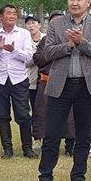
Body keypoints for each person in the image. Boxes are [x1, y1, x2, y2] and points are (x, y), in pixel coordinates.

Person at [34, 0, 91, 181]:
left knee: (84, 134)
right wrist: (68, 45)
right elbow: (47, 52)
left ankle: (78, 177)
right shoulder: (57, 24)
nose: (74, 3)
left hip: (87, 86)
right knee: (52, 133)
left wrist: (81, 42)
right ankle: (45, 176)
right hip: (60, 84)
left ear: (88, 2)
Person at [0, 4, 36, 159]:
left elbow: (29, 57)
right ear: (1, 17)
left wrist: (13, 50)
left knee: (23, 115)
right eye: (9, 13)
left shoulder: (23, 34)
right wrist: (0, 49)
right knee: (2, 115)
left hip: (19, 79)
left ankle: (27, 148)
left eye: (15, 14)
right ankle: (7, 149)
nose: (12, 16)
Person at [32, 12, 77, 153]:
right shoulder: (45, 40)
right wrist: (57, 52)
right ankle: (47, 144)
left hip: (67, 81)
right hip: (48, 82)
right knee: (44, 113)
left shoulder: (73, 38)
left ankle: (70, 145)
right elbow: (38, 59)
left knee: (70, 116)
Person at [24, 14, 44, 141]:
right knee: (34, 109)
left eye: (34, 23)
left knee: (45, 110)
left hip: (46, 80)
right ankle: (36, 137)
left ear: (39, 25)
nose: (31, 26)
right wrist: (38, 56)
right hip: (31, 80)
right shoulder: (24, 40)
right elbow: (25, 61)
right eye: (28, 23)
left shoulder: (47, 38)